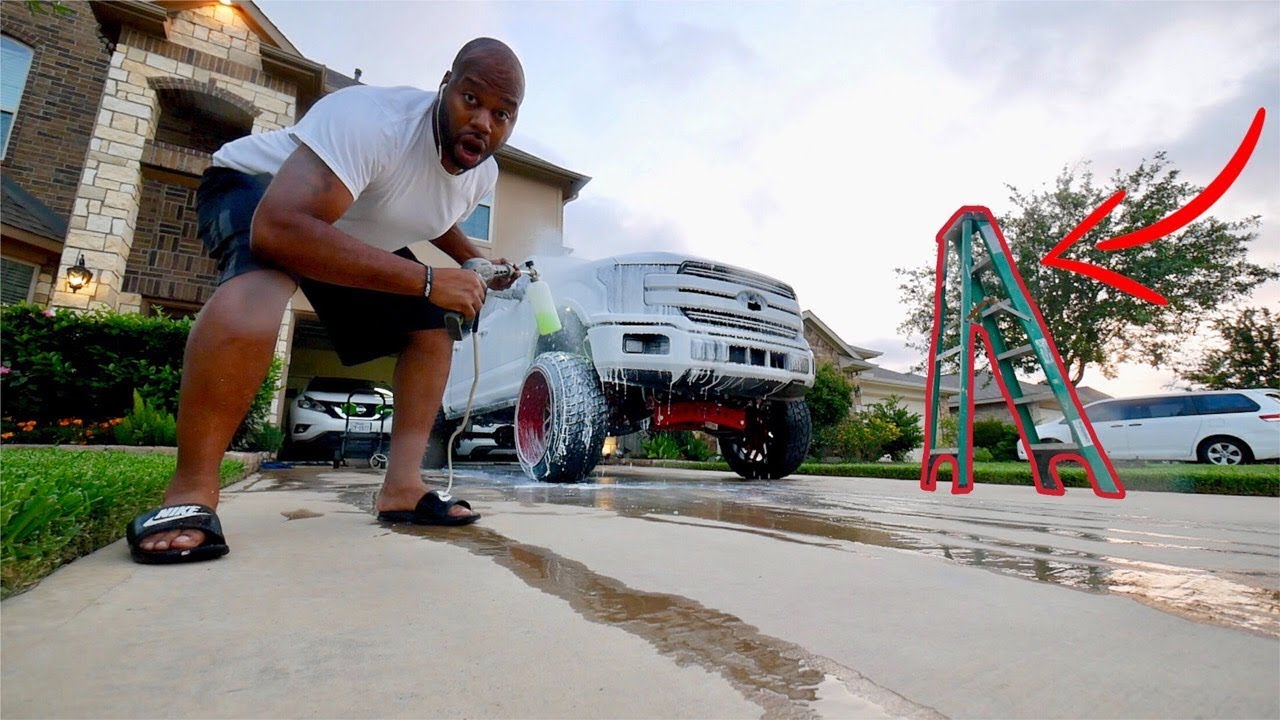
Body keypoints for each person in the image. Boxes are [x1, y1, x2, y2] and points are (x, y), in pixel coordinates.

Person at [124, 38, 525, 564]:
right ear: (445, 84)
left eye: (501, 114)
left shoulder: (482, 174)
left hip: (346, 221)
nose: (483, 123)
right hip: (260, 192)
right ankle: (190, 492)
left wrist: (473, 259)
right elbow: (278, 230)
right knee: (262, 287)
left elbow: (429, 209)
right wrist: (429, 279)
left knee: (431, 328)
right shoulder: (372, 121)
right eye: (470, 99)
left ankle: (402, 488)